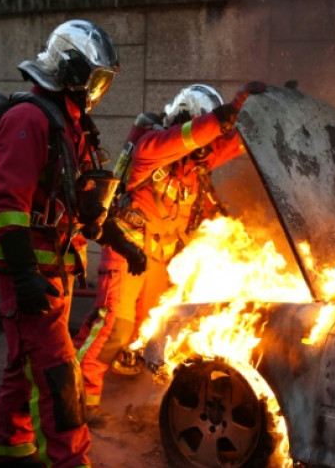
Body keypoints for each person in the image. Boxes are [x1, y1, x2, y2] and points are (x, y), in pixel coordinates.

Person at [73, 81, 266, 426]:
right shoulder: (152, 147)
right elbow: (189, 138)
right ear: (184, 121)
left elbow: (230, 143)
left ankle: (121, 374)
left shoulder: (194, 163)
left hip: (159, 258)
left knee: (152, 327)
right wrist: (224, 114)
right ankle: (76, 398)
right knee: (115, 324)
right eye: (200, 133)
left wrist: (261, 113)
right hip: (127, 250)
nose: (206, 148)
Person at [0, 19, 122, 468]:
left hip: (53, 271)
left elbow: (81, 200)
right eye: (95, 77)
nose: (98, 89)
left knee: (23, 369)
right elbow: (8, 205)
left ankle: (8, 452)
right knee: (60, 376)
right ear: (70, 69)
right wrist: (24, 275)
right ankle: (69, 461)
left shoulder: (69, 122)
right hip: (33, 273)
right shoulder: (29, 118)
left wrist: (123, 241)